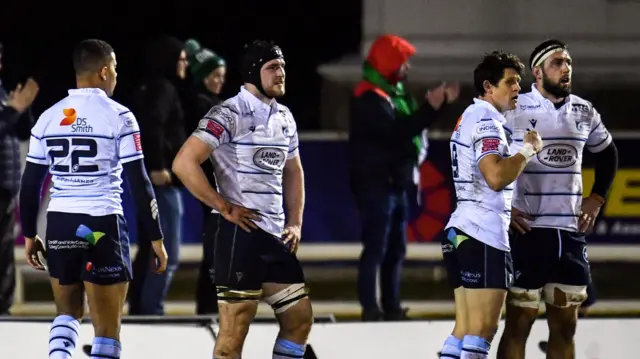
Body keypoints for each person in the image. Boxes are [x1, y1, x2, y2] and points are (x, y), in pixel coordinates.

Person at [18, 39, 167, 359]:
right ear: (102, 72)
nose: (116, 76)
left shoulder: (48, 117)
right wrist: (156, 237)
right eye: (114, 69)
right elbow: (140, 182)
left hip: (59, 223)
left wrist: (30, 234)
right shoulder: (120, 116)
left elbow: (30, 184)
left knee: (66, 314)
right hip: (103, 224)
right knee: (107, 332)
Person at [173, 40, 311, 359]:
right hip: (240, 236)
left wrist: (295, 222)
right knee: (234, 335)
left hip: (276, 237)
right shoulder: (228, 112)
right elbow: (183, 162)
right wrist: (223, 205)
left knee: (299, 320)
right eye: (272, 67)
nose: (281, 73)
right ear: (252, 72)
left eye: (283, 67)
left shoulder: (284, 117)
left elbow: (294, 171)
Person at [497, 39, 618, 359]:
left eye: (569, 63)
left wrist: (597, 198)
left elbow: (608, 154)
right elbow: (487, 163)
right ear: (537, 71)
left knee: (565, 328)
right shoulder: (514, 108)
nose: (567, 69)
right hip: (527, 234)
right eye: (558, 63)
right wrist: (503, 208)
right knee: (518, 324)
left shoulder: (584, 110)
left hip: (569, 233)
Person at [348, 34, 460, 321]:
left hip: (394, 186)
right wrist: (430, 107)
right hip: (376, 187)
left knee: (396, 249)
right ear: (389, 63)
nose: (407, 68)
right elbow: (396, 133)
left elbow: (407, 128)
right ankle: (370, 310)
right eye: (403, 62)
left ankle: (393, 307)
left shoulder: (392, 95)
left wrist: (436, 106)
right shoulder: (368, 96)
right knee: (376, 248)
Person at [438, 50, 542, 359]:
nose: (516, 89)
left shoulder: (469, 116)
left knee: (463, 330)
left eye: (517, 82)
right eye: (509, 82)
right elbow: (495, 176)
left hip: (461, 230)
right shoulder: (487, 120)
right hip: (483, 236)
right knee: (482, 332)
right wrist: (527, 150)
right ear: (488, 86)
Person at [128, 35, 188, 315]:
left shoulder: (149, 87)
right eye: (181, 58)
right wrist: (158, 166)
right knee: (167, 254)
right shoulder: (163, 89)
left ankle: (141, 308)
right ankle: (151, 311)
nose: (185, 63)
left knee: (148, 249)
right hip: (161, 185)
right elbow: (153, 126)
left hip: (147, 184)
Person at [183, 38, 227, 315]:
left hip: (216, 186)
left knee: (217, 249)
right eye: (214, 76)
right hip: (212, 187)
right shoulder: (201, 105)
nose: (219, 81)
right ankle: (208, 308)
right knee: (216, 250)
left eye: (222, 76)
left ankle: (210, 306)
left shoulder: (212, 103)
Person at [0, 42, 39, 315]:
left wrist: (23, 110)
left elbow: (22, 133)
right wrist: (12, 110)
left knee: (4, 254)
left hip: (5, 187)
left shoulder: (2, 90)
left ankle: (3, 311)